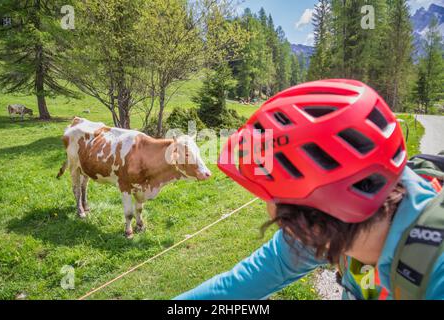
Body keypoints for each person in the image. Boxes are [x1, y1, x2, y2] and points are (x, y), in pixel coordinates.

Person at [176, 79, 444, 300]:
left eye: (267, 197)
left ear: (309, 221)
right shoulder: (347, 220)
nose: (269, 211)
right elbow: (251, 279)